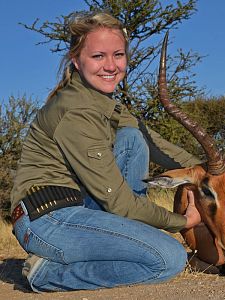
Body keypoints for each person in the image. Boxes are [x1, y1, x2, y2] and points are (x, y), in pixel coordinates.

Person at [11, 11, 201, 293]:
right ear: (76, 61)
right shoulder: (76, 111)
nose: (111, 66)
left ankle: (129, 239)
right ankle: (48, 273)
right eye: (98, 56)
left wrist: (205, 169)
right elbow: (120, 204)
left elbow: (153, 142)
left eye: (118, 55)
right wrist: (181, 222)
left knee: (133, 138)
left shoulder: (103, 101)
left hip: (75, 207)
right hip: (46, 221)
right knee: (168, 258)